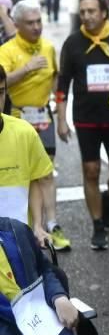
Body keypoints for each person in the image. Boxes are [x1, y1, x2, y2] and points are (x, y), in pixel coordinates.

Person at [56, 0, 109, 250]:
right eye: (83, 11)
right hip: (86, 117)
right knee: (90, 170)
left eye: (92, 11)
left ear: (104, 12)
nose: (87, 16)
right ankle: (98, 224)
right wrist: (61, 118)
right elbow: (62, 83)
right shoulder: (73, 42)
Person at [0, 1, 69, 250]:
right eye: (30, 23)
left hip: (43, 116)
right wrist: (26, 69)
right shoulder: (7, 51)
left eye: (39, 21)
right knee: (24, 176)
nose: (37, 26)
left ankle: (51, 225)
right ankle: (27, 225)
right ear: (16, 25)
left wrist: (61, 115)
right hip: (18, 117)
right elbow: (2, 81)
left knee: (46, 172)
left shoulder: (49, 48)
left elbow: (56, 81)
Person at [0, 66, 51, 243]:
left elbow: (34, 180)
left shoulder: (24, 132)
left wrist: (37, 225)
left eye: (0, 92)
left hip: (19, 244)